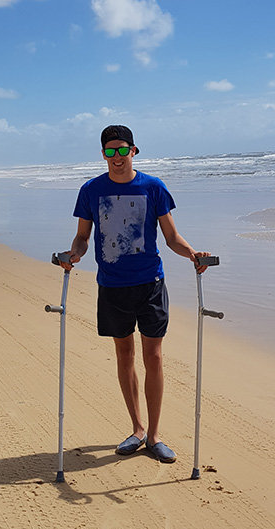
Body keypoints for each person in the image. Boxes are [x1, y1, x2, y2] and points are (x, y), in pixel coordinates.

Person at [59, 125, 209, 463]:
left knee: (153, 356)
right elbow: (83, 236)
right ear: (103, 154)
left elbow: (171, 237)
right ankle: (137, 429)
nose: (116, 157)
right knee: (124, 355)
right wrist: (75, 254)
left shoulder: (153, 187)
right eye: (109, 151)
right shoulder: (91, 190)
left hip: (150, 283)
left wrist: (193, 254)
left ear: (134, 151)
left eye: (122, 150)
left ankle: (155, 436)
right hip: (112, 285)